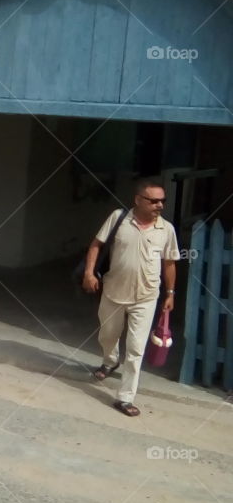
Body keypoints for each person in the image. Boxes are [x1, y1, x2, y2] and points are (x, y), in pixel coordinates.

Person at [82, 177, 179, 417]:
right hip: (113, 292)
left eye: (162, 201)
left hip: (146, 297)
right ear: (138, 199)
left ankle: (125, 397)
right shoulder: (118, 218)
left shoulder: (166, 229)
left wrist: (170, 293)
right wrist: (89, 273)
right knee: (108, 335)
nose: (160, 205)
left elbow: (169, 263)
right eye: (153, 201)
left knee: (136, 349)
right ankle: (110, 360)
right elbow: (96, 245)